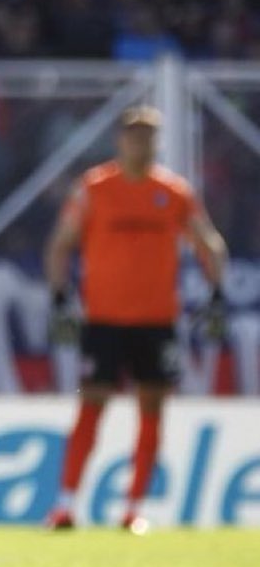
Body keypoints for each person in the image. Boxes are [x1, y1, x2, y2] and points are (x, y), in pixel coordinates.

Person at [44, 105, 227, 533]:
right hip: (104, 318)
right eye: (133, 133)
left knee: (152, 408)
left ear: (156, 141)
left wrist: (216, 293)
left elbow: (209, 243)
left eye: (148, 134)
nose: (140, 141)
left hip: (156, 320)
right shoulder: (94, 188)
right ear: (120, 139)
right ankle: (66, 504)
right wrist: (60, 297)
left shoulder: (174, 193)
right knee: (92, 403)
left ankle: (134, 507)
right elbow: (60, 244)